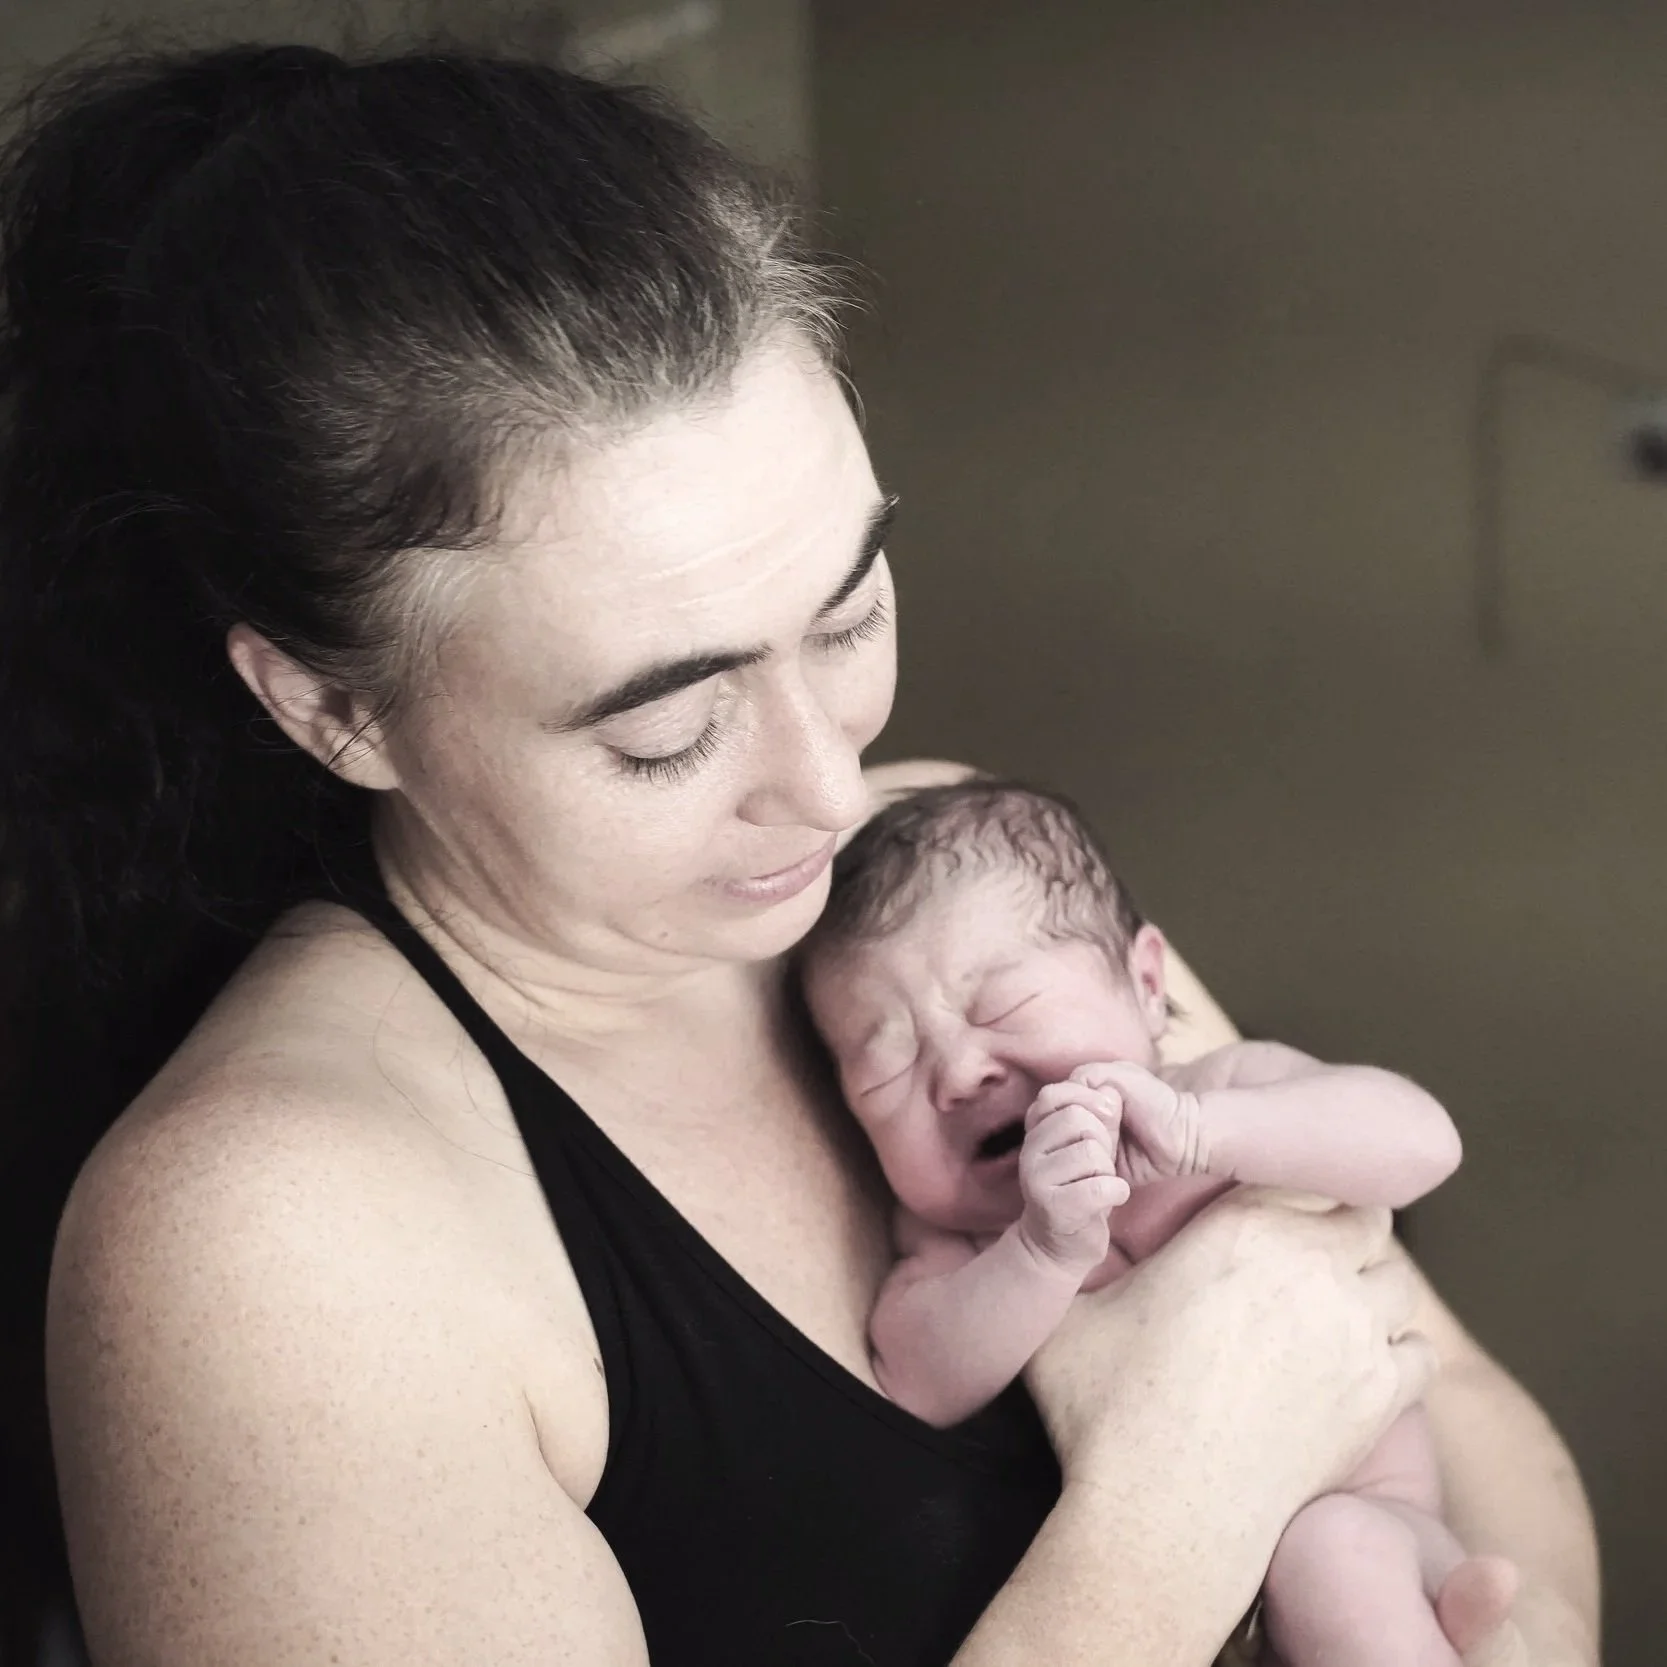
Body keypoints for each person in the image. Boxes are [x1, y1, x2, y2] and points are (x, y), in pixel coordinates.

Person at [0, 37, 1597, 1667]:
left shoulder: (953, 879)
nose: (834, 793)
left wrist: (1514, 1619)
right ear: (334, 708)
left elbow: (1455, 1400)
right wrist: (1174, 1503)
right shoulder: (266, 1241)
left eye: (846, 615)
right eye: (665, 728)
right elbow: (1255, 1400)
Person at [799, 778, 1512, 1667]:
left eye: (1003, 1008)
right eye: (888, 1068)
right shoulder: (958, 1240)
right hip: (1136, 1618)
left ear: (1144, 984)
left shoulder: (1231, 1090)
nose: (958, 1072)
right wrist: (1038, 1251)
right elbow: (914, 1377)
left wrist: (1208, 1134)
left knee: (1332, 1559)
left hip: (1366, 1523)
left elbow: (1422, 1142)